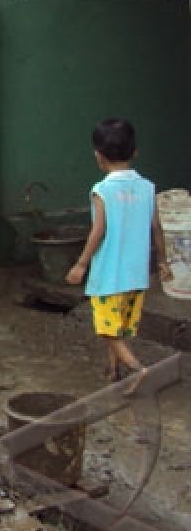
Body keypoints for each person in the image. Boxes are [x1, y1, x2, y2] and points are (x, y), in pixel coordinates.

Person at [65, 118, 172, 394]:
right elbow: (156, 228)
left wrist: (81, 263)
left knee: (106, 330)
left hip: (109, 276)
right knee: (120, 327)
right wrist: (163, 262)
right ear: (134, 152)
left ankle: (139, 370)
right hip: (136, 275)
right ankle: (114, 371)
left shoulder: (102, 190)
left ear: (98, 157)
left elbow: (98, 231)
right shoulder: (147, 187)